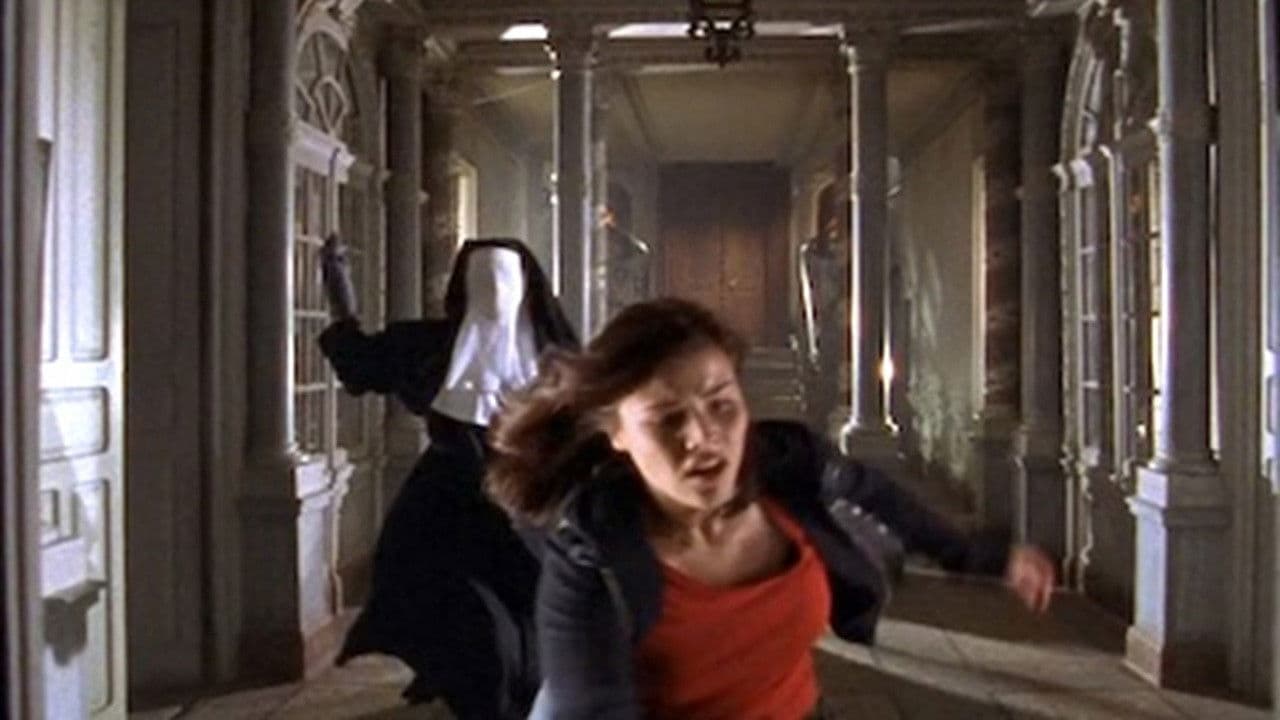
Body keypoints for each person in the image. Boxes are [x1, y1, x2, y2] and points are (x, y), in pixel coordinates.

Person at [486, 298, 1055, 720]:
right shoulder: (591, 557)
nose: (702, 438)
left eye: (720, 405)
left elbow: (877, 494)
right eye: (667, 419)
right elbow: (593, 708)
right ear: (617, 434)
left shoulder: (786, 462)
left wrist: (985, 557)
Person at [318, 236, 578, 719]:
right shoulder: (431, 347)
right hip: (448, 503)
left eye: (504, 282)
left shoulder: (554, 359)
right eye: (483, 283)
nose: (494, 296)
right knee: (453, 606)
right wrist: (340, 296)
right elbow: (360, 362)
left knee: (530, 605)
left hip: (522, 503)